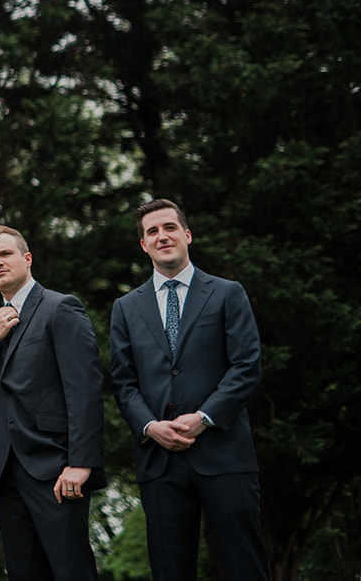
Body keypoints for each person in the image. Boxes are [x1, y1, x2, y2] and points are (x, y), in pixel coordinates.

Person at [109, 199, 269, 581]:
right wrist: (149, 427)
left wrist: (204, 417)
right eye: (152, 232)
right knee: (169, 570)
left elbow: (247, 367)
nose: (162, 236)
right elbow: (123, 382)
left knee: (245, 563)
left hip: (224, 453)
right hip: (160, 463)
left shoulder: (228, 293)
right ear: (143, 245)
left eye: (169, 227)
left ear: (187, 235)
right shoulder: (126, 307)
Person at [0, 226, 104, 581]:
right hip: (6, 472)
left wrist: (80, 462)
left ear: (27, 259)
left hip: (55, 467)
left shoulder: (60, 308)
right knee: (24, 573)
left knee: (71, 570)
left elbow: (84, 389)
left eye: (4, 254)